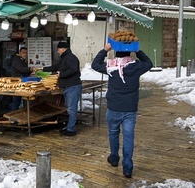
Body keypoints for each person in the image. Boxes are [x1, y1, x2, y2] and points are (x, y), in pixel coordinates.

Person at [91, 43, 153, 179]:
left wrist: (105, 50)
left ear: (115, 53)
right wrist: (139, 51)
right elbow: (149, 63)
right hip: (130, 109)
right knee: (128, 137)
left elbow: (95, 64)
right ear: (130, 53)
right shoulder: (136, 66)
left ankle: (114, 158)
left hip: (114, 107)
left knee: (113, 134)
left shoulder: (110, 66)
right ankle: (127, 167)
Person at [41, 41, 82, 136]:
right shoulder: (65, 58)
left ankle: (71, 129)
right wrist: (43, 69)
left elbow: (73, 69)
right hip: (68, 87)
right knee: (69, 108)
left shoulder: (71, 58)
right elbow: (56, 67)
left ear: (63, 49)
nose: (57, 51)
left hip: (73, 86)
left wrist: (61, 74)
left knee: (72, 109)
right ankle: (69, 127)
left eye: (58, 49)